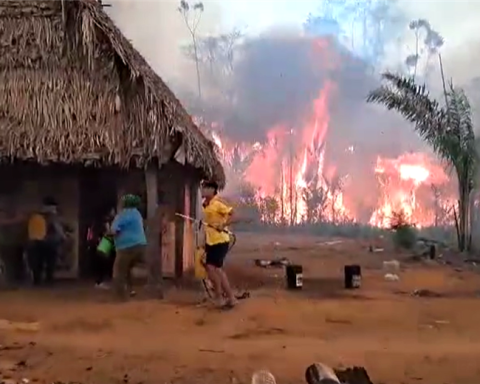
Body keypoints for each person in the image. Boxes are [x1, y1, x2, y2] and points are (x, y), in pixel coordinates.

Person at [201, 180, 237, 309]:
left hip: (220, 240)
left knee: (212, 268)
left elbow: (233, 214)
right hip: (211, 241)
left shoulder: (218, 203)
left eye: (204, 188)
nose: (202, 190)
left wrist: (223, 224)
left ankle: (220, 296)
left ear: (212, 190)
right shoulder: (206, 204)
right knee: (217, 270)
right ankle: (229, 297)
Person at [110, 194, 146, 300]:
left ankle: (119, 297)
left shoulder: (122, 215)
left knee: (118, 271)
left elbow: (114, 230)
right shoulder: (137, 214)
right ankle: (131, 290)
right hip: (141, 245)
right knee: (128, 268)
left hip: (126, 246)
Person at [27, 197, 66, 285]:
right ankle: (45, 280)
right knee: (46, 263)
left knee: (41, 263)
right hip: (45, 242)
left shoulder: (37, 216)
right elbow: (58, 229)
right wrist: (63, 237)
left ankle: (41, 280)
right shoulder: (50, 216)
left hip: (41, 242)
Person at [88, 207, 116, 289]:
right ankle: (100, 281)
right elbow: (103, 233)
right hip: (103, 244)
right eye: (112, 211)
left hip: (107, 244)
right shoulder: (101, 223)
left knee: (107, 262)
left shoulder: (108, 222)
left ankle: (103, 281)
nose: (113, 213)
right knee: (102, 263)